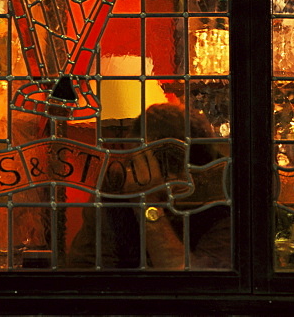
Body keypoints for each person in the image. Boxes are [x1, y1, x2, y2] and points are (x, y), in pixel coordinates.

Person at [66, 103, 231, 270]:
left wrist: (149, 203)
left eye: (141, 164)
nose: (134, 172)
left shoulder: (223, 199)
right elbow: (87, 269)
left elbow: (193, 283)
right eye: (133, 161)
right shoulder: (119, 185)